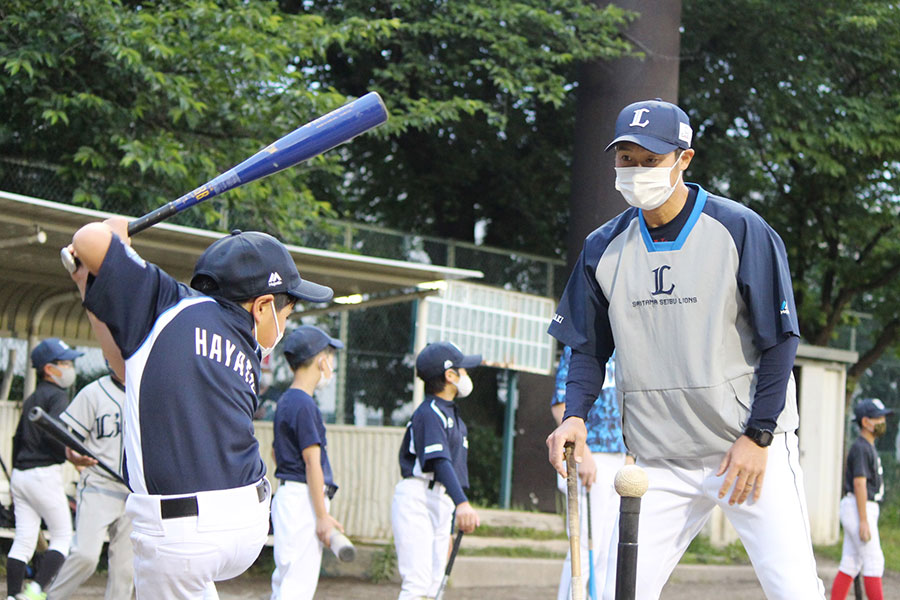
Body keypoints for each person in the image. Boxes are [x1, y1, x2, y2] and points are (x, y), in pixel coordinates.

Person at [545, 99, 825, 599]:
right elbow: (587, 348)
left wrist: (760, 437)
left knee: (795, 591)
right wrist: (574, 415)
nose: (636, 172)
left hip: (743, 449)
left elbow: (781, 341)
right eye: (626, 160)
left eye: (650, 161)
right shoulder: (601, 248)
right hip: (658, 458)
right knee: (612, 592)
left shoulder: (740, 229)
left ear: (684, 159)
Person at [66, 220, 333, 599]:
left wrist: (116, 234)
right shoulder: (247, 344)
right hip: (247, 517)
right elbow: (130, 367)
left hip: (181, 534)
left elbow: (87, 239)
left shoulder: (169, 304)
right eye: (286, 312)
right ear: (260, 307)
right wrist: (89, 285)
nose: (285, 322)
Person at [391, 342, 482, 600]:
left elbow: (454, 472)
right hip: (417, 497)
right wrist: (462, 504)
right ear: (450, 376)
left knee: (434, 585)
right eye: (463, 369)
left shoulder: (454, 417)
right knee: (417, 582)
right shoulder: (429, 413)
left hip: (441, 500)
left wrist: (451, 520)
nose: (467, 374)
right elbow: (440, 463)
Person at [270, 325, 345, 600]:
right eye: (330, 356)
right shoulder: (304, 404)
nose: (332, 364)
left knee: (287, 584)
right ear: (320, 360)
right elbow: (312, 462)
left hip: (292, 495)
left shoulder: (287, 400)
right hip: (302, 499)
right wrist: (323, 517)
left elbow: (275, 452)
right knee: (296, 589)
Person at [46, 370, 133, 600]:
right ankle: (52, 597)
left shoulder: (147, 389)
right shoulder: (94, 392)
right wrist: (73, 455)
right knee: (85, 556)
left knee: (125, 570)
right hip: (99, 485)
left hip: (135, 492)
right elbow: (70, 440)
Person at [7, 338, 83, 600]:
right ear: (49, 369)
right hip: (43, 474)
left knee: (24, 539)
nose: (71, 367)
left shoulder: (32, 398)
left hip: (21, 474)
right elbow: (55, 436)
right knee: (63, 536)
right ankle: (35, 592)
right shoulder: (58, 396)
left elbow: (16, 438)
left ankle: (14, 595)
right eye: (65, 363)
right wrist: (71, 455)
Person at [550, 347, 626, 600]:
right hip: (590, 455)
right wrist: (584, 455)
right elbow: (560, 403)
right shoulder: (582, 348)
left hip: (620, 456)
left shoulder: (627, 346)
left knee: (607, 547)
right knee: (583, 546)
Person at [830, 398, 894, 600]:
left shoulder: (867, 446)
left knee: (851, 562)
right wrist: (864, 520)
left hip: (860, 507)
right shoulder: (861, 447)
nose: (883, 421)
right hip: (859, 506)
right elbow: (859, 483)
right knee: (874, 561)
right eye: (879, 417)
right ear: (866, 422)